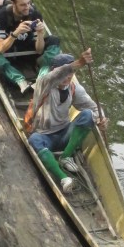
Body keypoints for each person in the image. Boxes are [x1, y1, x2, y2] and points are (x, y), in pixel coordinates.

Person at [27, 50, 108, 194]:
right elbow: (59, 74)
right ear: (54, 72)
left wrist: (101, 120)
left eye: (71, 73)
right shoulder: (44, 83)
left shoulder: (74, 88)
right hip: (44, 136)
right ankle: (64, 179)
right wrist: (80, 62)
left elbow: (94, 108)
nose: (68, 76)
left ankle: (66, 156)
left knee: (88, 115)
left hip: (65, 135)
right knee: (34, 139)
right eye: (64, 72)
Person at [0, 0, 60, 95]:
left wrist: (40, 34)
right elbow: (0, 49)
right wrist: (16, 33)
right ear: (13, 4)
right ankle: (20, 80)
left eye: (29, 3)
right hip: (9, 51)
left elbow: (39, 50)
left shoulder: (35, 15)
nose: (27, 7)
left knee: (54, 40)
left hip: (28, 49)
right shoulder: (2, 16)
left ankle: (41, 78)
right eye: (23, 5)